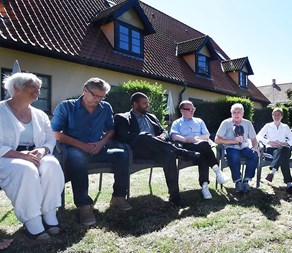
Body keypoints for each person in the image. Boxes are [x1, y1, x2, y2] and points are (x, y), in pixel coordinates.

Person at [51, 77, 131, 226]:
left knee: (122, 154)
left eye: (102, 96)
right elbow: (54, 132)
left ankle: (118, 196)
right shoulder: (66, 106)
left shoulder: (105, 107)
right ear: (84, 91)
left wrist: (101, 143)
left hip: (98, 148)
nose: (99, 100)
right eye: (96, 96)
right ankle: (84, 206)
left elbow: (110, 130)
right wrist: (81, 145)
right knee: (78, 157)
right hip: (74, 150)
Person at [0, 73, 64, 240]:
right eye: (32, 86)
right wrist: (21, 155)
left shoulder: (39, 114)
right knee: (25, 169)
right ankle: (32, 220)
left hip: (36, 154)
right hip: (6, 157)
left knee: (52, 165)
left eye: (39, 88)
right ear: (16, 88)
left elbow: (50, 137)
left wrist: (43, 150)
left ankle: (49, 213)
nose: (38, 90)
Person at [114, 92, 199, 206]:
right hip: (137, 151)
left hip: (157, 150)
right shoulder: (122, 117)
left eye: (147, 103)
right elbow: (123, 136)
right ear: (135, 104)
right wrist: (145, 137)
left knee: (169, 155)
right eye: (144, 103)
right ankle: (179, 151)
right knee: (145, 136)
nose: (147, 105)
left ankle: (175, 196)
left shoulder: (151, 117)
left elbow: (164, 132)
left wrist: (162, 136)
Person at [170, 100, 230, 199]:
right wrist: (186, 139)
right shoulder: (177, 123)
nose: (192, 111)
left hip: (201, 145)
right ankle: (217, 173)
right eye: (189, 109)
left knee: (203, 153)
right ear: (182, 111)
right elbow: (173, 136)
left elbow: (207, 135)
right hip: (187, 147)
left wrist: (197, 139)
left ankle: (205, 186)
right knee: (205, 146)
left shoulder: (199, 121)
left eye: (193, 109)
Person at [215, 103, 259, 193]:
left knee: (254, 155)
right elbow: (217, 139)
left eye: (238, 112)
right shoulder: (226, 123)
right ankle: (238, 182)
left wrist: (255, 147)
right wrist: (233, 141)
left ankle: (246, 181)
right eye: (234, 112)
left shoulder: (247, 123)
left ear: (242, 114)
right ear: (231, 113)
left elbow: (254, 138)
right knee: (234, 155)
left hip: (244, 147)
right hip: (230, 147)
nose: (236, 114)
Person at [256, 108, 292, 194]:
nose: (276, 116)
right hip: (272, 149)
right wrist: (269, 142)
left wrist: (286, 143)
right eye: (275, 114)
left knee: (284, 150)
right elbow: (258, 136)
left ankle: (272, 172)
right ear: (272, 116)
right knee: (284, 158)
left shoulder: (285, 127)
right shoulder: (268, 126)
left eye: (278, 115)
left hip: (284, 149)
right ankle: (289, 184)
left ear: (282, 116)